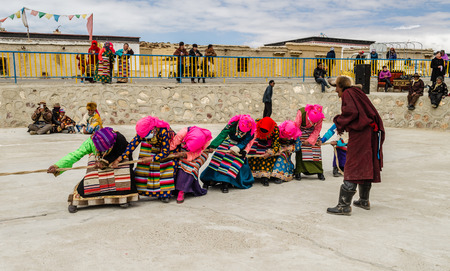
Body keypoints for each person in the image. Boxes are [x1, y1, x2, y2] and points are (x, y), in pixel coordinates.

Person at [326, 76, 385, 216]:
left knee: (353, 164)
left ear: (342, 86)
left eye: (337, 87)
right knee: (365, 164)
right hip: (369, 134)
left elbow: (351, 113)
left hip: (361, 135)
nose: (336, 91)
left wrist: (338, 120)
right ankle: (364, 201)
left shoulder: (348, 93)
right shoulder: (357, 92)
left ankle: (344, 205)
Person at [47, 127, 138, 213]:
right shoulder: (90, 143)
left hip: (117, 162)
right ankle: (76, 201)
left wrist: (112, 162)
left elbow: (125, 154)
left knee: (125, 177)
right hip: (97, 164)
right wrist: (58, 166)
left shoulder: (119, 139)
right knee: (88, 184)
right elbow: (75, 155)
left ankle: (123, 198)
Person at [112, 116, 177, 203]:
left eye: (146, 135)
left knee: (163, 169)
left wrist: (152, 158)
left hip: (165, 149)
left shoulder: (164, 131)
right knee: (144, 168)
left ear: (153, 130)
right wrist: (120, 158)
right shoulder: (143, 131)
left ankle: (164, 194)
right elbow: (132, 145)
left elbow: (165, 152)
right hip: (150, 145)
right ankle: (143, 190)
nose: (144, 136)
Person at [200, 114, 256, 193]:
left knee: (234, 161)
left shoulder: (251, 131)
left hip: (239, 147)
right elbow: (222, 135)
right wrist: (212, 146)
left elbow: (245, 142)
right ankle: (208, 179)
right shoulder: (231, 125)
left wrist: (237, 148)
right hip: (227, 142)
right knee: (218, 157)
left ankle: (225, 182)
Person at [169, 126, 212, 203]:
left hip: (200, 153)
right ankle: (175, 188)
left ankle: (182, 191)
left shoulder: (206, 140)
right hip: (183, 148)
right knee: (179, 164)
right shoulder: (183, 132)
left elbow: (195, 154)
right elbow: (173, 145)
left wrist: (184, 155)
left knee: (192, 167)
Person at [294, 104, 326, 181]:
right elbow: (296, 126)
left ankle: (319, 171)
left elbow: (317, 130)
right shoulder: (301, 112)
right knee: (300, 147)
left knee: (316, 147)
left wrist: (309, 141)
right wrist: (298, 139)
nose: (311, 123)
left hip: (313, 131)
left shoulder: (319, 116)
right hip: (300, 131)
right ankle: (298, 171)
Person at [248, 117, 281, 186]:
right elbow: (251, 137)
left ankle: (264, 177)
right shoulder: (256, 124)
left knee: (266, 157)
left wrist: (271, 152)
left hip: (267, 144)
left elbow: (275, 143)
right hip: (256, 142)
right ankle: (251, 174)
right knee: (252, 154)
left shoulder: (275, 129)